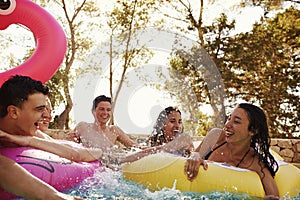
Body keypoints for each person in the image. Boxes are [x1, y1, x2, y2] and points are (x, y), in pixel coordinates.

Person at [0, 75, 83, 199]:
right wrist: (54, 197)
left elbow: (74, 154)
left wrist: (30, 141)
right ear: (13, 112)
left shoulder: (28, 130)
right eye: (39, 109)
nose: (45, 115)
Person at [184, 103, 279, 200]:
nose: (227, 125)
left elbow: (274, 196)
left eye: (236, 122)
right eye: (229, 119)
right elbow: (194, 155)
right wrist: (195, 155)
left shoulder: (255, 162)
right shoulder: (216, 137)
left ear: (253, 130)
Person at [121, 106, 194, 163]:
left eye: (180, 122)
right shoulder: (157, 144)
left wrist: (121, 160)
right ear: (162, 124)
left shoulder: (185, 138)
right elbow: (147, 150)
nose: (177, 126)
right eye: (172, 121)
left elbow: (161, 150)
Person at [69, 95, 138, 150]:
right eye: (102, 109)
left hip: (107, 166)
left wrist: (147, 150)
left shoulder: (114, 130)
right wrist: (70, 140)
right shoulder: (83, 127)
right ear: (93, 111)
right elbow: (70, 144)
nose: (105, 113)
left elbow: (134, 146)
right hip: (88, 165)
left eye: (108, 110)